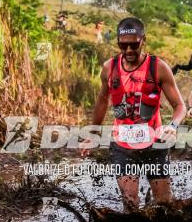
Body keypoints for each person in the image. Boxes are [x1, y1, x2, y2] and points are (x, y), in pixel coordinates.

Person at [80, 17, 186, 210]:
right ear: (118, 42)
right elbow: (102, 101)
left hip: (155, 144)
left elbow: (180, 106)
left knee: (164, 204)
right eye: (123, 45)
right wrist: (92, 135)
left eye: (133, 45)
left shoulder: (158, 67)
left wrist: (173, 126)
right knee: (130, 202)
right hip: (123, 145)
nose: (128, 50)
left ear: (143, 40)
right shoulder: (109, 68)